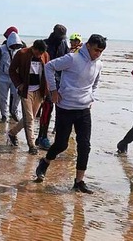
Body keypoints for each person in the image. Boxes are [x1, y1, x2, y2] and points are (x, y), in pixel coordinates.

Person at [35, 34, 107, 194]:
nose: (98, 54)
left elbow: (95, 83)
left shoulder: (99, 64)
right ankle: (45, 162)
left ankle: (79, 181)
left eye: (101, 51)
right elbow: (49, 67)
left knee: (85, 146)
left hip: (84, 109)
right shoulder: (72, 58)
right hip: (66, 107)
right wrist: (53, 90)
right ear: (88, 45)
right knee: (61, 144)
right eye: (96, 50)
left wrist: (91, 97)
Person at [6, 39, 49, 154]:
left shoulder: (45, 55)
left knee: (30, 118)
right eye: (37, 53)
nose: (39, 55)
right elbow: (12, 70)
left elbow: (48, 72)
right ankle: (32, 145)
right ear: (33, 48)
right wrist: (19, 84)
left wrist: (47, 90)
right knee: (29, 118)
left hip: (39, 91)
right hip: (26, 91)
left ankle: (12, 133)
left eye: (41, 54)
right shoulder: (22, 54)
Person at [38, 24, 70, 149]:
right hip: (45, 81)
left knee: (60, 110)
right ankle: (42, 136)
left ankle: (56, 135)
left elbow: (67, 63)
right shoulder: (44, 44)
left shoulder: (64, 44)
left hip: (60, 82)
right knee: (47, 109)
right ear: (53, 33)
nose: (61, 39)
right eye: (60, 37)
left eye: (63, 37)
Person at [0, 31, 23, 123]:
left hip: (15, 77)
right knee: (3, 97)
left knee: (16, 95)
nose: (15, 46)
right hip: (3, 76)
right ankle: (4, 115)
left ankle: (14, 112)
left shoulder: (19, 51)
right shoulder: (1, 49)